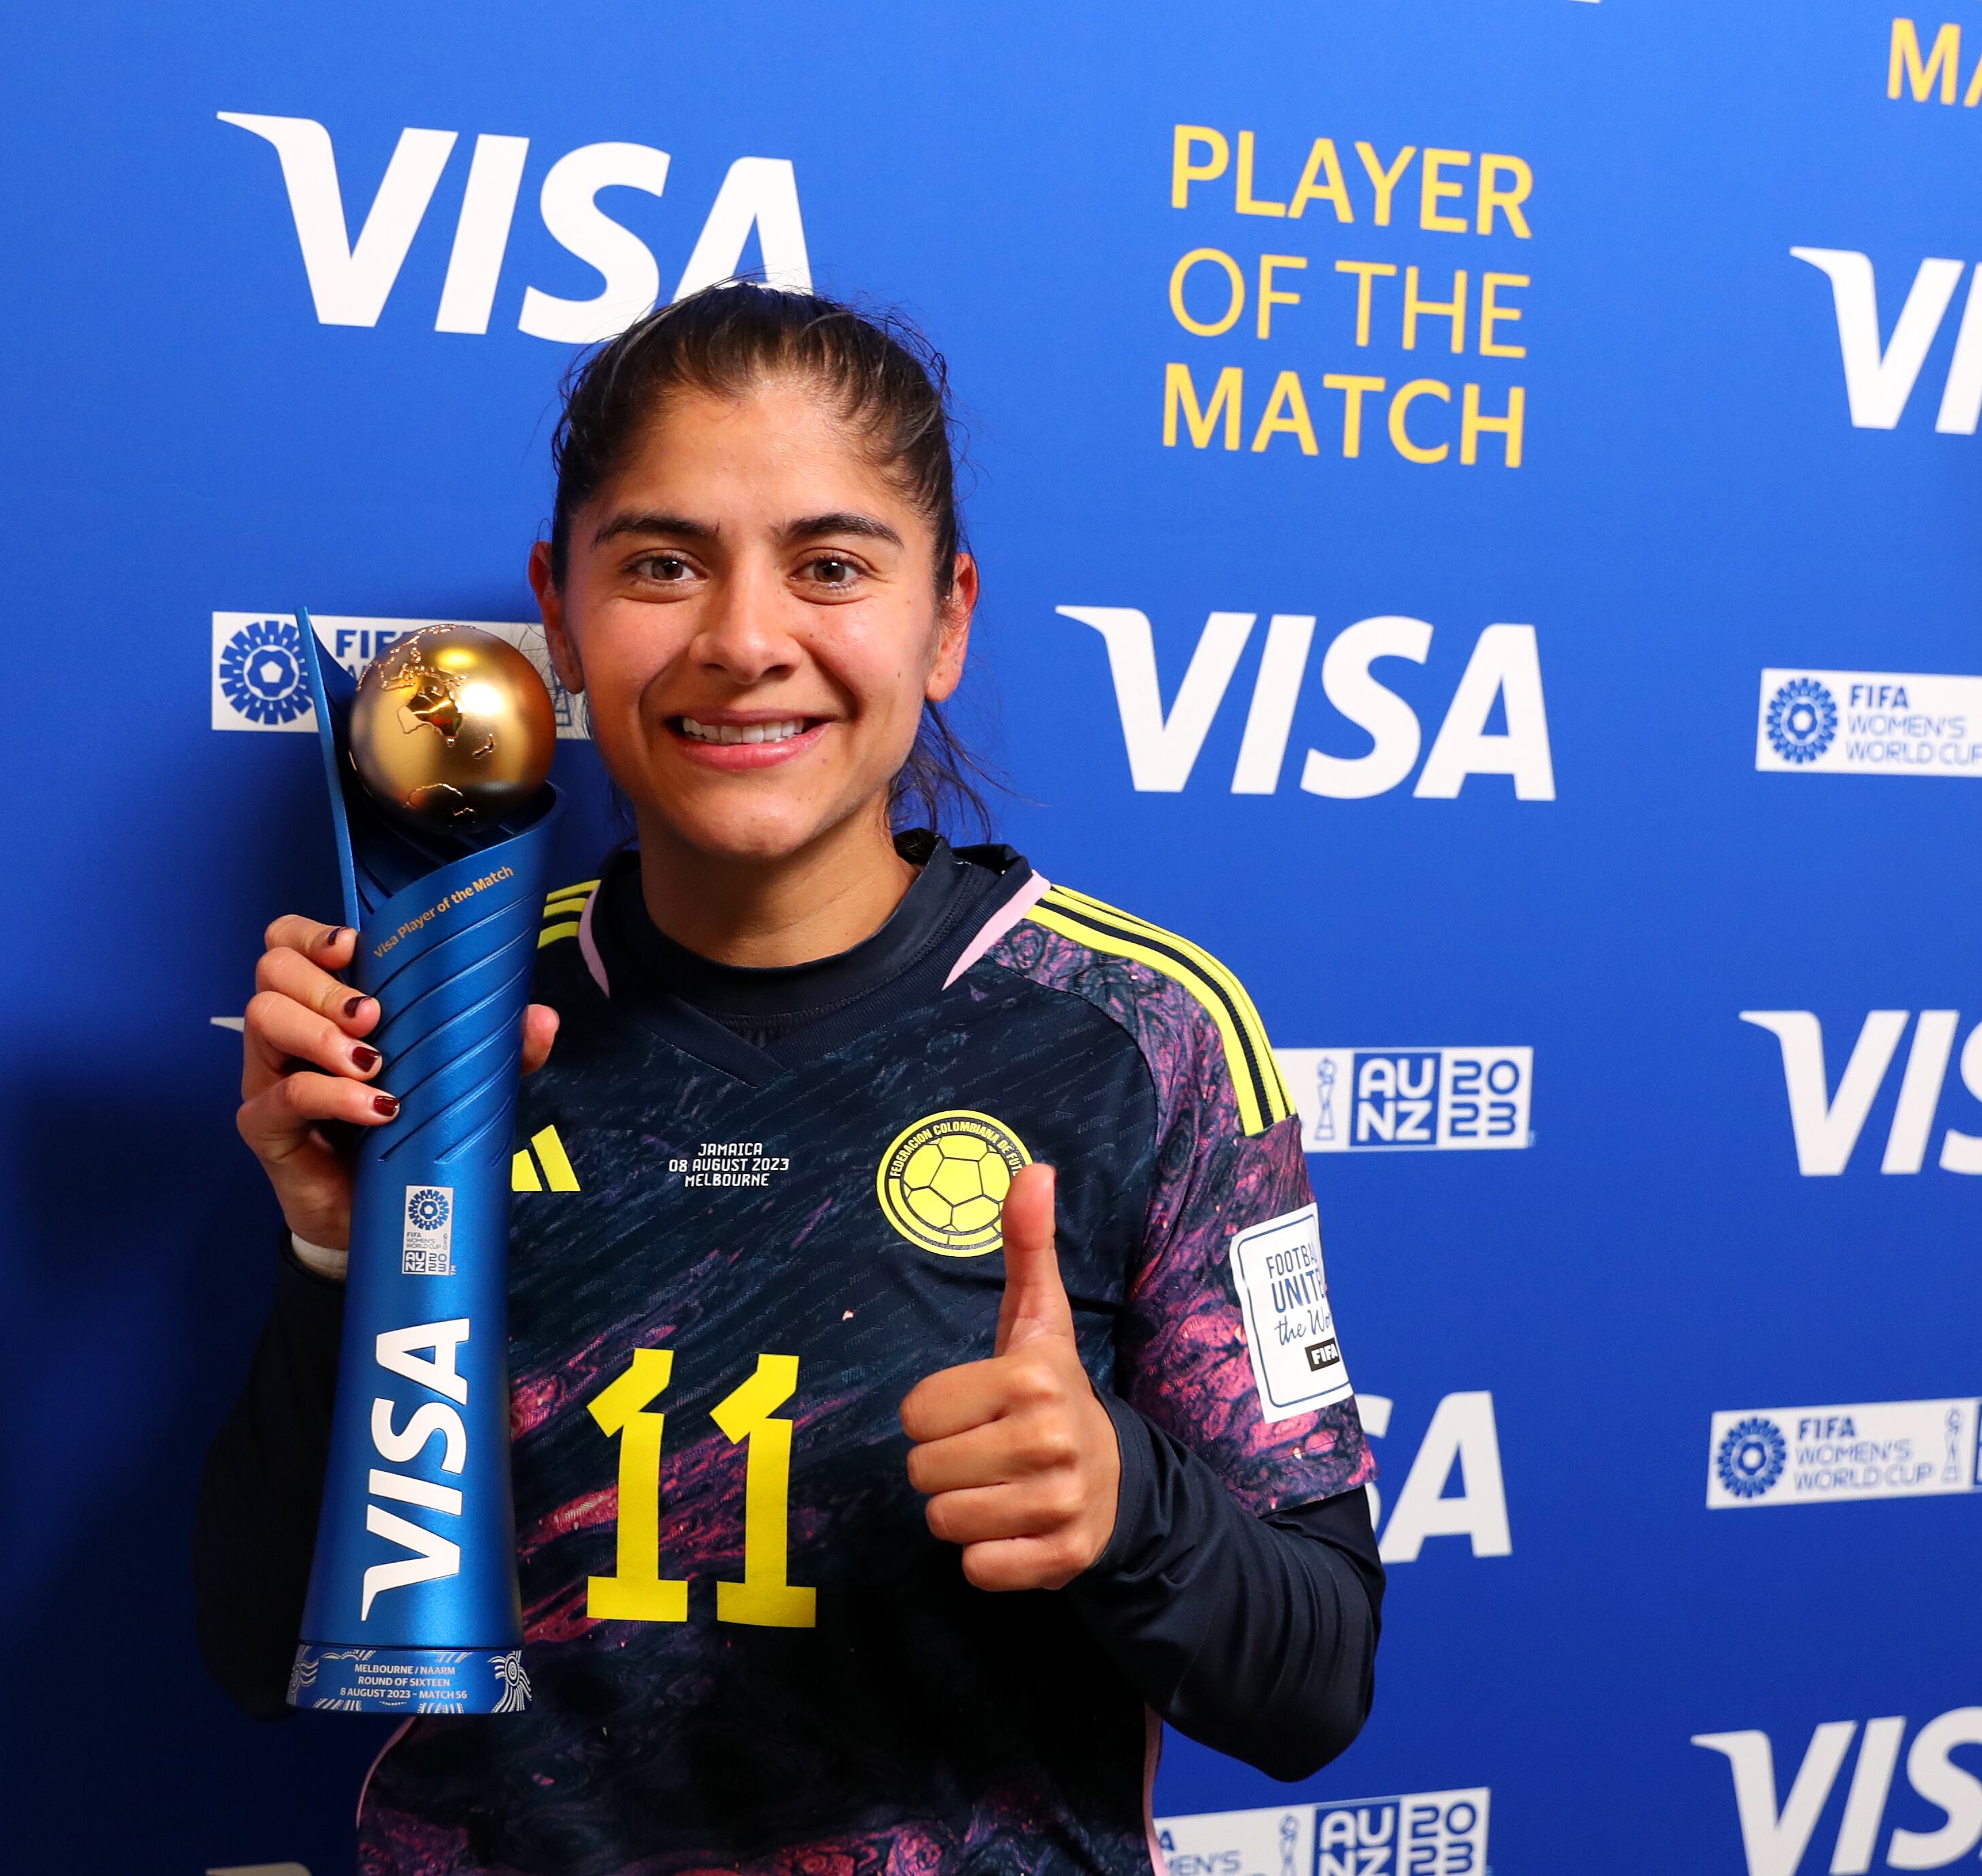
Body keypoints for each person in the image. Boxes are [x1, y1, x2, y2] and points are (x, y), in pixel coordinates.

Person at [198, 283, 1380, 1876]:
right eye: (663, 564)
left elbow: (1316, 1686)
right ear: (560, 612)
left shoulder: (1137, 1033)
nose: (747, 643)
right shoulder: (445, 1012)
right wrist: (342, 1254)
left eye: (831, 566)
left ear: (946, 618)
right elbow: (259, 1657)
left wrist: (1124, 1503)